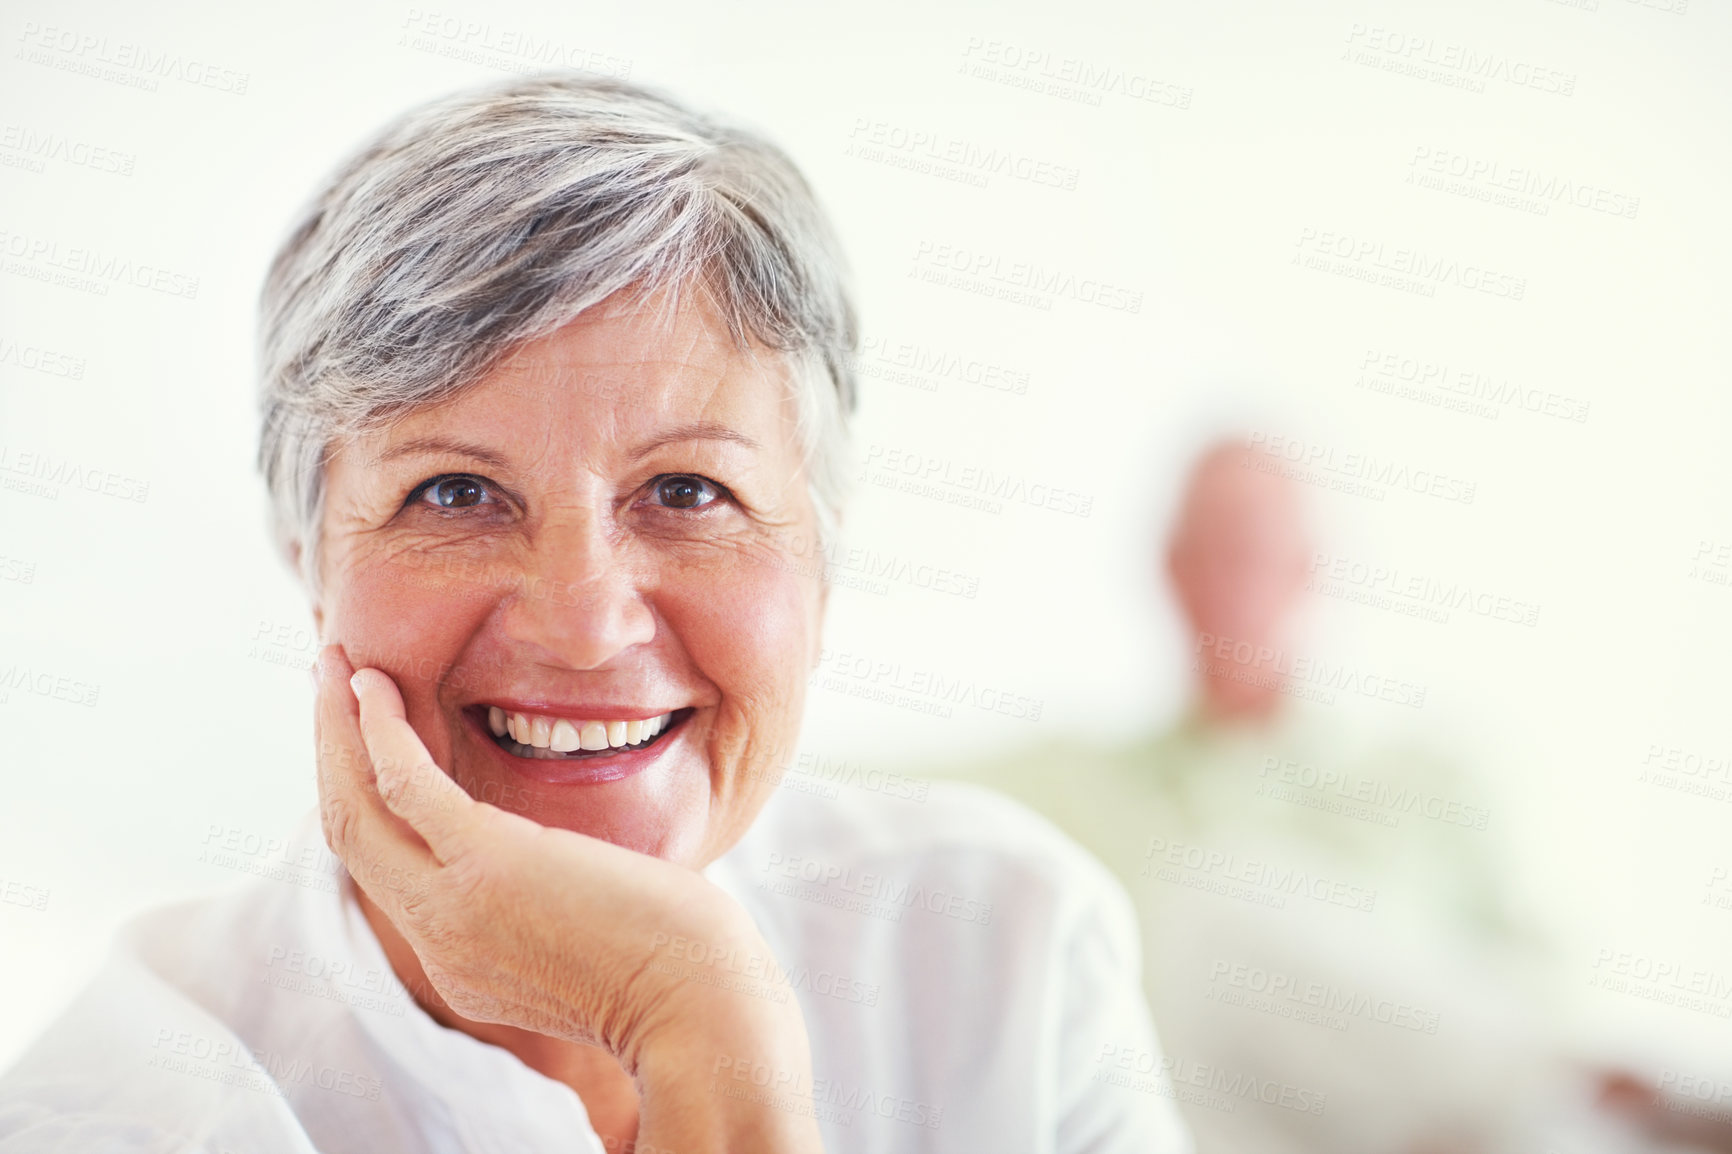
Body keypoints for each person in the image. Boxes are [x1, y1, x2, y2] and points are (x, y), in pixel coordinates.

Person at [0, 74, 1191, 1154]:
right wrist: (686, 1002)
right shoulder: (125, 1114)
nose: (583, 625)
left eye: (687, 490)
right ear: (309, 561)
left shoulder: (1004, 948)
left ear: (820, 563)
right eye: (453, 491)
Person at [928, 439, 1566, 1153]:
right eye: (1210, 550)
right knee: (1193, 928)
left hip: (1464, 1118)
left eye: (1258, 549)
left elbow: (1540, 983)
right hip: (1223, 1129)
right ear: (1169, 570)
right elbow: (856, 792)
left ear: (1309, 572)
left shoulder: (1427, 780)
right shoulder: (1076, 782)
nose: (1233, 581)